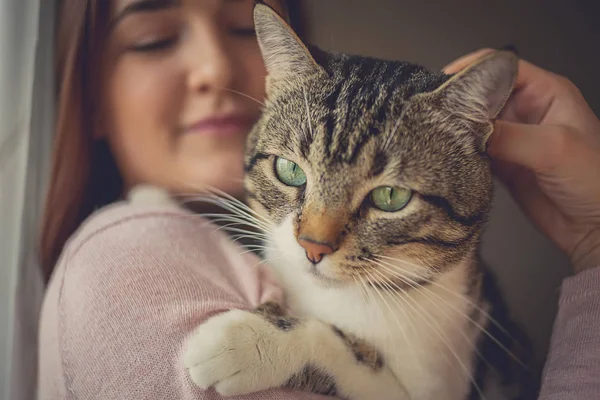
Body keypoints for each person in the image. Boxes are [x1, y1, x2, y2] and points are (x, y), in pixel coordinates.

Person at [36, 0, 600, 398]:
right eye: (154, 39)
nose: (317, 238)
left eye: (388, 195)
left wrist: (592, 237)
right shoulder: (122, 258)